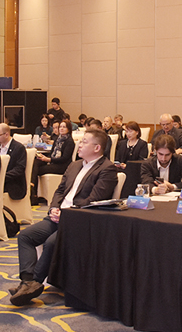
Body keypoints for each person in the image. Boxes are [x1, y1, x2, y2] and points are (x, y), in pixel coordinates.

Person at [9, 129, 118, 306]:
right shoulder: (74, 165)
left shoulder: (107, 169)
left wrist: (67, 214)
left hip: (78, 221)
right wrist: (54, 207)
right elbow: (60, 191)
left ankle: (35, 282)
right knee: (25, 236)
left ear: (97, 148)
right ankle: (27, 282)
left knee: (51, 242)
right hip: (58, 217)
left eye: (84, 142)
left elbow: (94, 200)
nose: (79, 145)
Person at [31, 119, 75, 202]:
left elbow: (64, 159)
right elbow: (51, 153)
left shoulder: (69, 142)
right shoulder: (58, 139)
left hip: (62, 166)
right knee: (36, 162)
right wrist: (44, 157)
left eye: (64, 127)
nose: (61, 129)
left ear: (68, 129)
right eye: (60, 127)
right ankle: (33, 190)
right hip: (54, 162)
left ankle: (33, 194)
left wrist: (48, 159)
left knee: (38, 170)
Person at [0, 123, 29, 206]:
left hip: (13, 183)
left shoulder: (18, 148)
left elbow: (19, 169)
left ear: (6, 134)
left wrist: (2, 177)